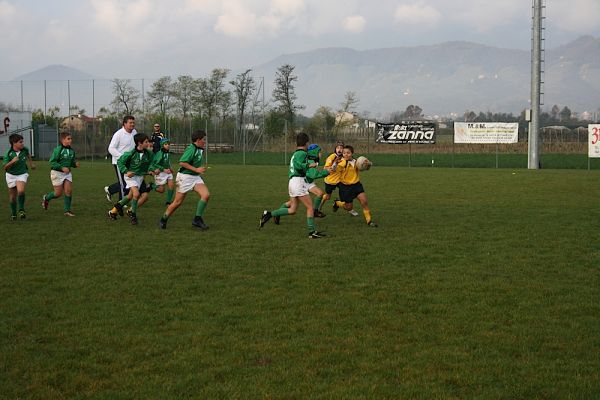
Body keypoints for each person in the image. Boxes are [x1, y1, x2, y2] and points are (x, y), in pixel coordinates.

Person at [259, 132, 329, 239]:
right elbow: (299, 165)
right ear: (306, 143)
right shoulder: (301, 154)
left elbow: (298, 164)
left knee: (292, 210)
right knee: (310, 207)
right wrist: (309, 164)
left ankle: (268, 214)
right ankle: (312, 232)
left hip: (293, 182)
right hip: (298, 182)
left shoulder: (296, 153)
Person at [158, 130, 211, 230]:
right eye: (204, 140)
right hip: (184, 178)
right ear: (198, 140)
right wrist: (196, 169)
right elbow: (182, 162)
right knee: (177, 202)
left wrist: (198, 171)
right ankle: (163, 219)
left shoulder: (199, 148)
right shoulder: (191, 149)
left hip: (195, 177)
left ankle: (197, 219)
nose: (205, 141)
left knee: (206, 195)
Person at [270, 143, 329, 225]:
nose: (320, 154)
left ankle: (315, 211)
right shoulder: (310, 159)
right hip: (304, 182)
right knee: (296, 204)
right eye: (319, 152)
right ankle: (278, 213)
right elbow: (312, 174)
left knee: (319, 193)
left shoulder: (313, 159)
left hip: (308, 181)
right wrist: (327, 172)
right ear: (315, 152)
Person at [107, 133, 155, 225]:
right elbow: (120, 162)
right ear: (139, 143)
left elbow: (151, 163)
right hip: (131, 177)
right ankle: (133, 216)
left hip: (140, 177)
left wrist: (152, 170)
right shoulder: (131, 153)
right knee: (136, 194)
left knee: (129, 196)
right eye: (146, 142)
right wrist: (126, 171)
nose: (148, 143)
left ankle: (113, 211)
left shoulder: (148, 153)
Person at [333, 145, 377, 227]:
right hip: (345, 187)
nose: (346, 154)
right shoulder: (341, 162)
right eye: (344, 153)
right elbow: (334, 169)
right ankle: (337, 203)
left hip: (356, 185)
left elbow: (365, 168)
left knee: (364, 201)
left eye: (348, 153)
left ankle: (369, 221)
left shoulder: (357, 161)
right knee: (348, 207)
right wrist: (335, 163)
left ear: (352, 153)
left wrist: (369, 163)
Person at [41, 132, 80, 216]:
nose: (70, 140)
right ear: (62, 140)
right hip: (57, 173)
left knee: (68, 191)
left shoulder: (71, 151)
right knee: (58, 194)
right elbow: (52, 162)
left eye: (71, 138)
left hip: (67, 174)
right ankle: (46, 198)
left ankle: (67, 211)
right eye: (68, 139)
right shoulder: (58, 150)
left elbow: (71, 162)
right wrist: (61, 167)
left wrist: (75, 164)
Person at [319, 141, 359, 215]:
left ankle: (349, 208)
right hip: (330, 181)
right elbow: (326, 169)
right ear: (335, 149)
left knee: (346, 194)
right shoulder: (332, 157)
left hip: (340, 181)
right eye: (338, 148)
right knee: (328, 197)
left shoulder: (344, 157)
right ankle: (320, 206)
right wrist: (335, 163)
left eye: (341, 148)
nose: (339, 150)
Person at [104, 115, 136, 202]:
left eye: (133, 122)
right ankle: (121, 202)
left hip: (130, 162)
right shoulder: (118, 134)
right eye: (130, 123)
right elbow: (111, 148)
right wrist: (122, 157)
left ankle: (110, 190)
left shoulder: (134, 132)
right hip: (119, 162)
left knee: (129, 182)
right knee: (123, 183)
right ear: (124, 124)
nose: (132, 124)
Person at [3, 133, 36, 220]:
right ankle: (14, 214)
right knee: (13, 197)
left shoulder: (24, 149)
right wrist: (12, 161)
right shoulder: (8, 153)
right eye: (20, 142)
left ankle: (21, 210)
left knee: (21, 191)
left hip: (22, 173)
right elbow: (5, 167)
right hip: (10, 175)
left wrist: (31, 163)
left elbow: (28, 155)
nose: (22, 143)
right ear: (14, 143)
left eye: (22, 141)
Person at [149, 137, 175, 205]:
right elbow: (155, 164)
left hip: (167, 172)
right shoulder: (160, 153)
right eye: (166, 144)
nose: (168, 145)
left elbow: (167, 162)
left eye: (168, 144)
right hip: (161, 173)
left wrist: (170, 168)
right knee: (161, 190)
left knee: (171, 186)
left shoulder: (167, 152)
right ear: (162, 145)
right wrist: (163, 169)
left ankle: (168, 202)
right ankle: (151, 186)